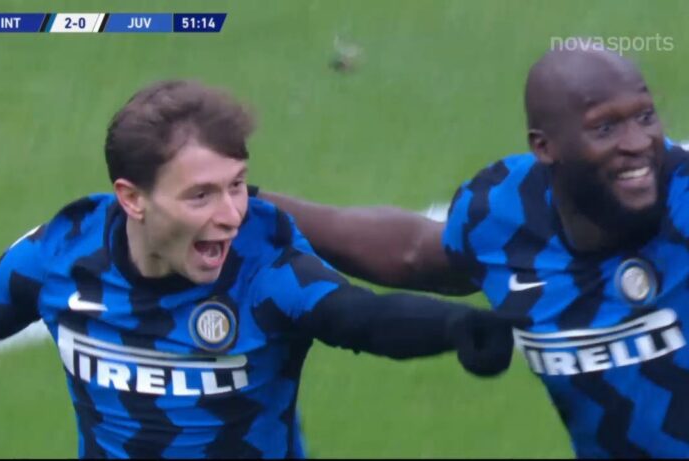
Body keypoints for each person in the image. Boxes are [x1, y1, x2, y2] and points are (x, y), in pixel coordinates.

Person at [0, 80, 518, 459]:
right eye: (201, 195)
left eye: (237, 185)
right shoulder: (62, 254)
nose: (232, 214)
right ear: (132, 198)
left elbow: (359, 317)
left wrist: (453, 328)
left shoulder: (264, 266)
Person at [258, 48, 689, 458]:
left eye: (645, 116)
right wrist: (246, 205)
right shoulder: (505, 217)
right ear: (544, 147)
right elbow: (411, 253)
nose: (638, 142)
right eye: (605, 128)